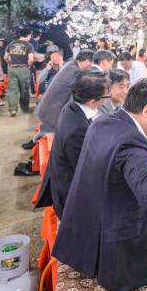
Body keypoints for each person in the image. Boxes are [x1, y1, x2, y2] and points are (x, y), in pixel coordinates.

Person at [52, 80, 147, 291]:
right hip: (114, 230)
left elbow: (112, 163)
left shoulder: (105, 121)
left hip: (86, 218)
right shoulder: (131, 138)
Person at [36, 73, 110, 218]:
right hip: (70, 197)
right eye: (106, 96)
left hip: (67, 180)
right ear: (93, 101)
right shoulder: (77, 130)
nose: (108, 98)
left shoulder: (72, 107)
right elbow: (86, 171)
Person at [16, 51, 95, 175]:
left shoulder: (70, 65)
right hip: (53, 111)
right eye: (91, 62)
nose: (91, 65)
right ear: (86, 60)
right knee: (49, 139)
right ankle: (32, 165)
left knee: (44, 133)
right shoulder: (76, 71)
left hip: (48, 107)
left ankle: (32, 159)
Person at [5, 29, 37, 116]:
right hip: (24, 69)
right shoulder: (29, 45)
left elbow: (5, 57)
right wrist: (28, 65)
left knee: (12, 90)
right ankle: (25, 108)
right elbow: (31, 59)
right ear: (29, 35)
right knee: (25, 90)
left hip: (12, 69)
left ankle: (13, 110)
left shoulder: (11, 44)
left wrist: (10, 64)